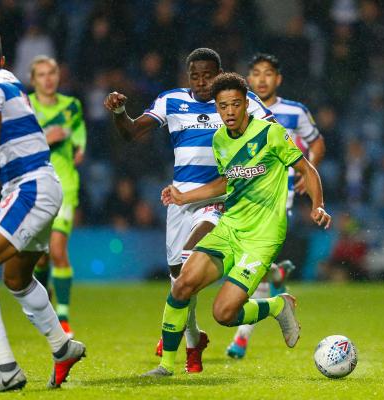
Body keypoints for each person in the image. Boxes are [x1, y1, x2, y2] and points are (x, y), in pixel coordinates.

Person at [144, 72, 332, 377]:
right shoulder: (220, 140)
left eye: (234, 104)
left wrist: (318, 204)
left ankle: (276, 306)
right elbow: (225, 183)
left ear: (246, 104)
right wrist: (183, 196)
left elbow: (306, 169)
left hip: (262, 236)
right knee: (182, 286)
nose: (229, 111)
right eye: (222, 106)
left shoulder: (270, 133)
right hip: (230, 227)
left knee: (223, 313)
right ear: (217, 108)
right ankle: (165, 366)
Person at [103, 48, 274, 373]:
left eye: (208, 75)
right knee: (178, 283)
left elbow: (273, 132)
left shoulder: (238, 100)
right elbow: (131, 132)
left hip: (217, 200)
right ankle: (194, 342)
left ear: (220, 73)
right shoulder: (171, 101)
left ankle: (170, 358)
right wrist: (120, 111)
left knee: (187, 266)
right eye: (195, 76)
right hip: (180, 200)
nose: (201, 82)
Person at [0, 28, 85, 393]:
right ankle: (62, 346)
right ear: (4, 59)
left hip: (28, 191)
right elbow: (0, 161)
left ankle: (6, 368)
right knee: (16, 279)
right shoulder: (11, 83)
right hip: (42, 185)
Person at [225, 53, 326, 359]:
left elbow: (317, 143)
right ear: (248, 78)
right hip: (241, 199)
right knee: (240, 264)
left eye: (268, 73)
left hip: (276, 200)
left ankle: (241, 337)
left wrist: (305, 171)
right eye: (255, 73)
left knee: (248, 266)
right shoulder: (238, 110)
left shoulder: (295, 112)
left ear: (278, 79)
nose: (262, 79)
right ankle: (275, 275)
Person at [29, 55, 87, 338]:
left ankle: (62, 316)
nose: (48, 78)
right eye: (41, 74)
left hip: (64, 185)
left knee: (58, 251)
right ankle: (45, 307)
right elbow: (19, 142)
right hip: (34, 186)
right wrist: (45, 136)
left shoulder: (71, 106)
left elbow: (79, 135)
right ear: (33, 80)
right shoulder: (25, 105)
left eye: (52, 72)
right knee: (40, 258)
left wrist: (79, 146)